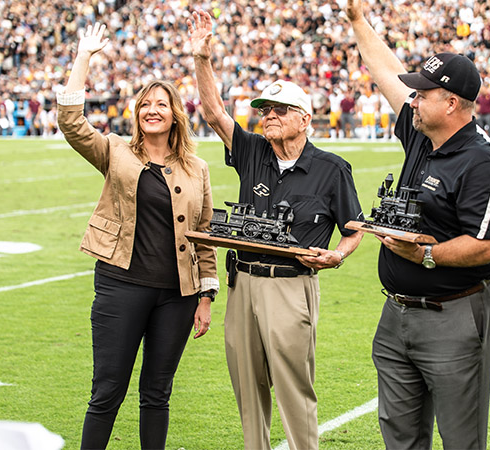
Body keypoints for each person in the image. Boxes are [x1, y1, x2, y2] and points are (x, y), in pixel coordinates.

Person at [345, 1, 490, 448]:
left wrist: (424, 254)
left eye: (423, 94)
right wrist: (358, 21)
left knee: (461, 438)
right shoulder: (425, 133)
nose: (413, 100)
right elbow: (386, 73)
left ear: (453, 103)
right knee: (399, 436)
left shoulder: (480, 159)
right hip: (397, 311)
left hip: (454, 313)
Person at [188, 10, 364, 450]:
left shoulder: (331, 169)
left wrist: (337, 255)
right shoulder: (253, 151)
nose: (268, 116)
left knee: (293, 387)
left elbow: (354, 228)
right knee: (246, 384)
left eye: (280, 110)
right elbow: (213, 113)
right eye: (264, 109)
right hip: (242, 282)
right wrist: (201, 58)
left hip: (291, 285)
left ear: (305, 118)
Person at [56, 23, 219, 449]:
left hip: (177, 296)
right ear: (137, 113)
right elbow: (71, 122)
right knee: (107, 392)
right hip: (120, 287)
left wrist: (205, 297)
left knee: (157, 395)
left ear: (174, 114)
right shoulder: (116, 151)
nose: (152, 110)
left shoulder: (196, 168)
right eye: (145, 104)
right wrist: (84, 57)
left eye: (161, 105)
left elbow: (204, 233)